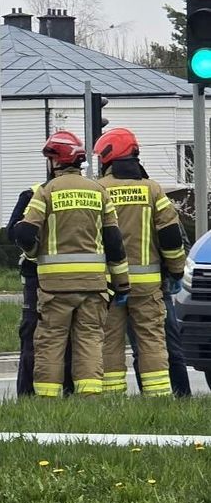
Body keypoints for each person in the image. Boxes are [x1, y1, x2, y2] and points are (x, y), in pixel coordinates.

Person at [13, 130, 130, 397]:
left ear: (56, 161)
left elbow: (24, 233)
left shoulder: (46, 192)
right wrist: (122, 285)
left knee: (51, 342)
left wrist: (32, 254)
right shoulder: (98, 191)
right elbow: (114, 243)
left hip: (55, 287)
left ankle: (47, 400)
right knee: (89, 341)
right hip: (93, 286)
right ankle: (89, 399)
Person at [93, 127, 187, 397]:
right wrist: (177, 272)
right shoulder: (152, 190)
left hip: (110, 285)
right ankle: (157, 397)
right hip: (148, 287)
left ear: (108, 157)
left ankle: (111, 399)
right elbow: (171, 237)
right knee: (152, 342)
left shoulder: (98, 189)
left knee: (108, 342)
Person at [6, 183, 73, 396]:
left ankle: (31, 395)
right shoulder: (32, 194)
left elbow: (13, 233)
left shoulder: (34, 193)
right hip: (61, 278)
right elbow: (13, 233)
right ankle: (36, 395)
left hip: (43, 277)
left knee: (35, 337)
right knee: (45, 338)